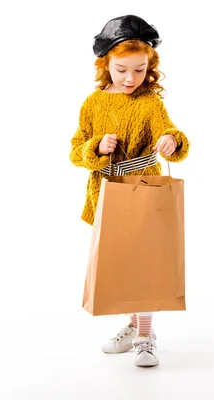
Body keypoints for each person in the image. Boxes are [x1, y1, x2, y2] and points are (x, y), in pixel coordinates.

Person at [69, 15, 190, 367]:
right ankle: (134, 325)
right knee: (122, 266)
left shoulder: (149, 102)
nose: (130, 78)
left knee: (146, 265)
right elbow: (75, 150)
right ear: (105, 63)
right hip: (106, 192)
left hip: (143, 190)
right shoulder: (92, 104)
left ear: (150, 66)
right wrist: (96, 147)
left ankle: (145, 334)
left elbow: (170, 132)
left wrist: (170, 140)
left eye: (140, 70)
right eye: (122, 69)